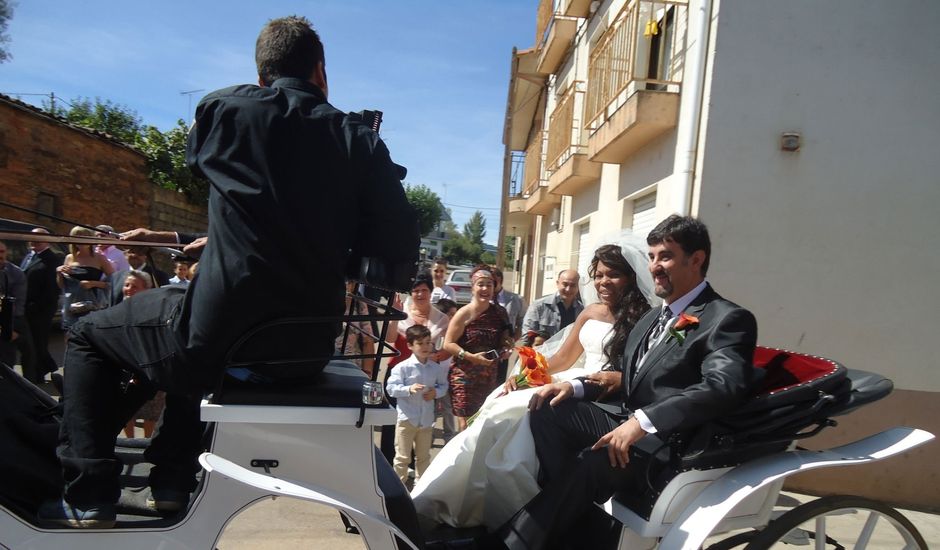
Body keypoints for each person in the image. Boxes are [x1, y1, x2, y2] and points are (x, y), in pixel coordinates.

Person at [39, 15, 419, 528]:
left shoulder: (224, 110)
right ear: (321, 72)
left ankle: (88, 490)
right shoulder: (358, 138)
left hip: (215, 337)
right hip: (302, 350)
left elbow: (214, 166)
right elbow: (396, 248)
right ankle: (170, 480)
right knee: (192, 326)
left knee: (90, 334)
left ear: (262, 75)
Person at [453, 215, 761, 550]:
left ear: (697, 259)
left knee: (591, 462)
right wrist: (575, 387)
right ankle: (574, 525)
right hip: (623, 416)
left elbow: (722, 386)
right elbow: (629, 377)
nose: (655, 266)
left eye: (666, 256)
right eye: (652, 256)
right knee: (545, 407)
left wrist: (642, 423)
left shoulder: (727, 318)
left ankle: (508, 544)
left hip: (668, 439)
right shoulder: (654, 318)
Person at [412, 240, 653, 529]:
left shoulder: (645, 318)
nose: (602, 281)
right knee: (497, 407)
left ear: (630, 277)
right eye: (598, 274)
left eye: (612, 274)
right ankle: (452, 497)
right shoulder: (590, 312)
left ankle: (514, 510)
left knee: (516, 417)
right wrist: (525, 375)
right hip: (571, 378)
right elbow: (563, 358)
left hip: (602, 392)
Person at [442, 266, 513, 431]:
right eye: (481, 284)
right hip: (464, 377)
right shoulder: (463, 313)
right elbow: (448, 344)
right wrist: (471, 357)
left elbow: (504, 339)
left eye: (489, 285)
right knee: (466, 426)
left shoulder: (499, 312)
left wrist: (506, 346)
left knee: (483, 422)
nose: (485, 288)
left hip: (488, 376)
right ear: (472, 287)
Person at [385, 325, 449, 486]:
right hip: (407, 419)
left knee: (423, 457)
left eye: (428, 342)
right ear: (410, 346)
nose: (426, 347)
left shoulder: (435, 368)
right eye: (420, 343)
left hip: (426, 420)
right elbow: (391, 389)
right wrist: (409, 389)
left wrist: (436, 393)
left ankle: (421, 488)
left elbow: (443, 385)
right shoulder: (402, 367)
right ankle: (398, 487)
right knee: (402, 457)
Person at [18, 229, 64, 384]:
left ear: (47, 240)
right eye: (32, 237)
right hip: (25, 307)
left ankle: (37, 375)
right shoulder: (29, 256)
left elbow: (52, 288)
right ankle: (43, 368)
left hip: (40, 309)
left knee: (37, 342)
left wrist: (37, 307)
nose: (34, 241)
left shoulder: (52, 259)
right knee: (31, 343)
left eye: (38, 238)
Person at [56, 227, 114, 330]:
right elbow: (62, 286)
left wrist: (93, 283)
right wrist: (59, 273)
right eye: (77, 238)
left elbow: (115, 282)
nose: (81, 241)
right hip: (72, 304)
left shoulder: (99, 258)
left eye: (84, 237)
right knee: (71, 333)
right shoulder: (69, 258)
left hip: (93, 304)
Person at [521, 269, 583, 346]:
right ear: (557, 283)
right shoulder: (539, 306)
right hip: (542, 356)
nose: (568, 289)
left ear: (579, 286)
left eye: (573, 285)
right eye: (565, 284)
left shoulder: (582, 310)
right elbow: (527, 337)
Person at [334, 278, 376, 376]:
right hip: (327, 362)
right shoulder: (324, 302)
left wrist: (367, 374)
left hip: (352, 366)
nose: (346, 285)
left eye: (349, 282)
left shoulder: (359, 303)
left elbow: (368, 340)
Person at [0, 241, 27, 369]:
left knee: (6, 364)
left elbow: (18, 303)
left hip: (5, 324)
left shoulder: (15, 273)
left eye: (2, 252)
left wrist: (12, 329)